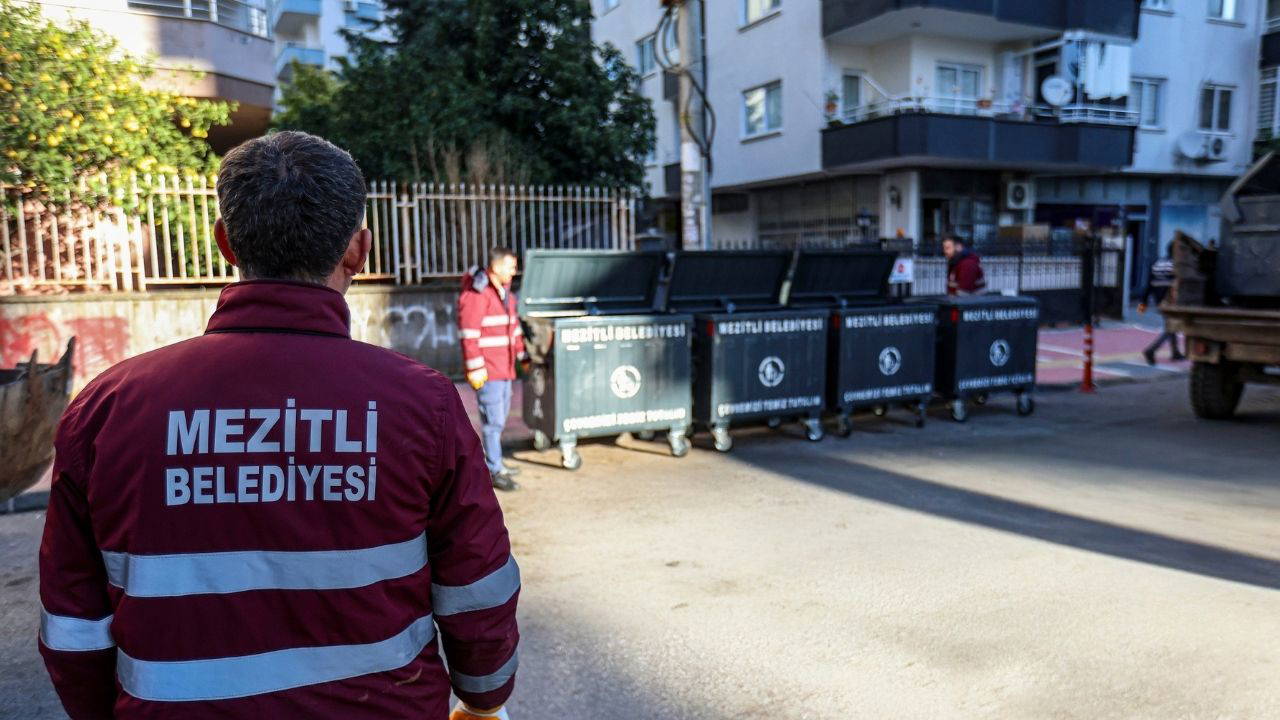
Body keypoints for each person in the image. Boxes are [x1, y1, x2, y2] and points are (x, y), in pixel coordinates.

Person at [37, 131, 519, 720]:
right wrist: (483, 698)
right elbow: (477, 589)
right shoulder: (424, 404)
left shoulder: (107, 408)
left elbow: (73, 626)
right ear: (359, 251)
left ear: (224, 244)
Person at [458, 247, 528, 492]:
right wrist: (475, 369)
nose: (514, 271)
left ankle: (497, 462)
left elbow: (513, 328)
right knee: (493, 422)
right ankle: (494, 469)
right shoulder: (478, 294)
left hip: (505, 369)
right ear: (496, 267)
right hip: (489, 371)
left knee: (499, 419)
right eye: (511, 266)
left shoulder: (504, 293)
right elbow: (468, 335)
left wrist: (523, 356)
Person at [1139, 243, 1184, 365]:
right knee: (1171, 327)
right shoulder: (1176, 265)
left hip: (1159, 301)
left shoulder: (1157, 263)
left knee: (1170, 324)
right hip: (1171, 301)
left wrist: (1143, 304)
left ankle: (1175, 352)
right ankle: (1151, 350)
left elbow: (1148, 284)